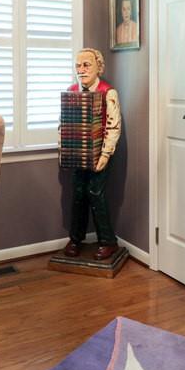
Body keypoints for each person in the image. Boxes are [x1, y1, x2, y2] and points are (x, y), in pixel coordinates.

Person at [63, 48, 121, 260]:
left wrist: (105, 155)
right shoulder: (72, 91)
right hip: (79, 153)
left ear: (99, 67)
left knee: (96, 194)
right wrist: (66, 149)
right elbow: (66, 124)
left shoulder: (108, 92)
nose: (81, 69)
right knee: (78, 194)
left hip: (100, 153)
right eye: (78, 65)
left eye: (86, 64)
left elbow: (114, 126)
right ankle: (75, 239)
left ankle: (108, 241)